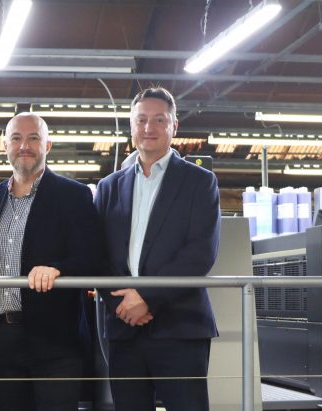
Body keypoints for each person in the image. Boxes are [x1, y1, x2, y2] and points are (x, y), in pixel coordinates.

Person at [94, 87, 221, 411]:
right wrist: (122, 303)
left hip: (180, 326)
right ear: (131, 126)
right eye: (141, 120)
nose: (149, 127)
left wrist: (146, 297)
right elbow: (98, 255)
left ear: (174, 126)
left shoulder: (199, 182)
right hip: (124, 327)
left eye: (159, 120)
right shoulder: (109, 187)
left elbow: (200, 252)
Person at [0, 113, 101, 410]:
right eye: (16, 138)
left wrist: (58, 269)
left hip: (55, 339)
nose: (24, 146)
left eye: (33, 138)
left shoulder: (74, 195)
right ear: (5, 146)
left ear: (48, 145)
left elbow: (92, 255)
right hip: (0, 336)